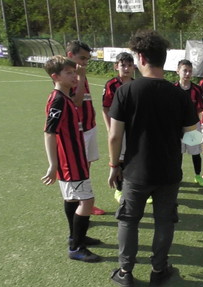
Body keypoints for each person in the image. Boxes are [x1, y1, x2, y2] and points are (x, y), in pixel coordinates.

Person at [107, 30, 199, 287]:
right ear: (164, 59)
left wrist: (114, 165)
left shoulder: (126, 91)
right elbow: (193, 138)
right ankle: (159, 270)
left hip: (135, 171)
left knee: (128, 220)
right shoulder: (180, 95)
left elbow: (114, 136)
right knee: (164, 221)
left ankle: (125, 272)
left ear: (141, 58)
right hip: (169, 172)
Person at [41, 55, 102, 263]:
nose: (74, 76)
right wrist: (53, 164)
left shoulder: (64, 97)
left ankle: (75, 237)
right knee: (87, 200)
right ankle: (77, 247)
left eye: (74, 72)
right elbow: (49, 132)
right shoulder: (58, 99)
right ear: (55, 76)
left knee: (72, 199)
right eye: (69, 73)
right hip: (71, 161)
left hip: (74, 159)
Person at [66, 40, 105, 216]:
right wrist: (80, 78)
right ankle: (79, 207)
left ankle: (85, 203)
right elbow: (76, 102)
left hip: (89, 127)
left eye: (87, 59)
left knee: (86, 168)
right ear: (70, 55)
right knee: (78, 170)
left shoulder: (79, 72)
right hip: (78, 131)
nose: (85, 62)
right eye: (82, 58)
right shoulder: (69, 76)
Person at [101, 52, 135, 202]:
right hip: (118, 128)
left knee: (134, 158)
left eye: (129, 65)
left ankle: (134, 188)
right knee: (119, 159)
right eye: (123, 65)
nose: (126, 68)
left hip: (134, 129)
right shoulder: (111, 85)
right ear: (116, 66)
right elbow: (105, 108)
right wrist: (110, 128)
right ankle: (119, 190)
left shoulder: (136, 85)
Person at [175, 59, 203, 187]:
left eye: (189, 71)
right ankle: (178, 176)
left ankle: (198, 175)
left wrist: (192, 117)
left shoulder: (197, 89)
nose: (187, 73)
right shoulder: (173, 89)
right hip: (176, 128)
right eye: (184, 70)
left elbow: (202, 106)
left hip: (193, 126)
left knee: (195, 152)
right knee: (178, 153)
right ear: (178, 71)